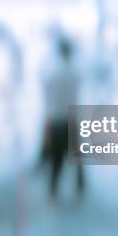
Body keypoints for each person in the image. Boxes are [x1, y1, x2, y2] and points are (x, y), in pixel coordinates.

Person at [42, 35, 85, 201]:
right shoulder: (76, 72)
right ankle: (80, 187)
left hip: (57, 120)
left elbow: (46, 92)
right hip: (73, 120)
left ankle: (53, 189)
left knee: (56, 157)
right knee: (78, 156)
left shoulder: (52, 73)